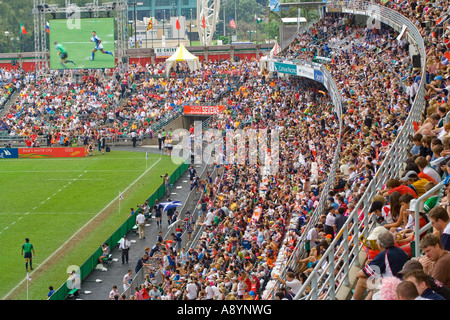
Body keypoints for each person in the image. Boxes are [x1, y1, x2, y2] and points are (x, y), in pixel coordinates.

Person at [352, 229, 408, 300]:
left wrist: (357, 276)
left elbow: (361, 274)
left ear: (380, 245)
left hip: (392, 288)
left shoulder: (383, 255)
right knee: (373, 285)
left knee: (362, 280)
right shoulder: (400, 251)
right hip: (402, 284)